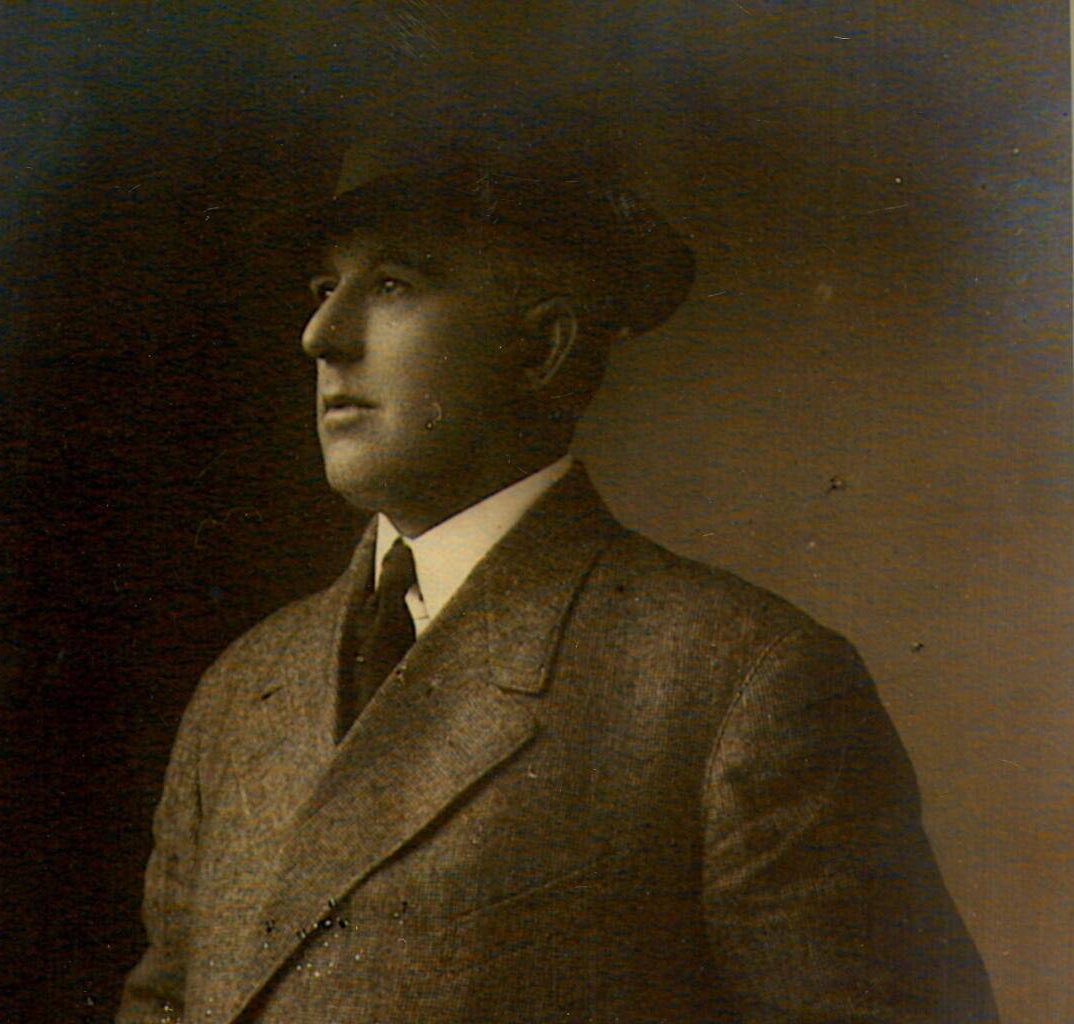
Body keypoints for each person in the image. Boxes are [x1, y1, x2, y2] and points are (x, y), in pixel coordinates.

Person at [116, 122, 998, 1023]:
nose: (321, 336)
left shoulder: (738, 687)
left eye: (391, 285)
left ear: (541, 349)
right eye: (322, 288)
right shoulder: (242, 690)